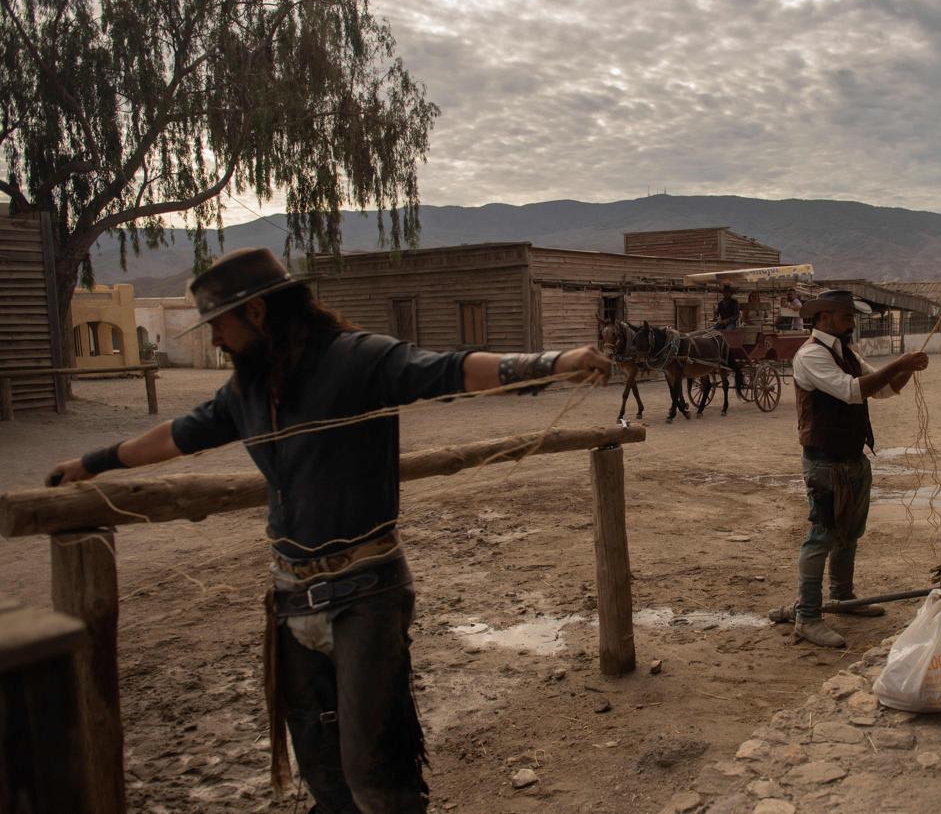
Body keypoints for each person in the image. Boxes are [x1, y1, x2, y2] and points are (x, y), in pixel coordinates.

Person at [45, 247, 611, 814]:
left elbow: (448, 369)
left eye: (219, 324)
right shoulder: (245, 390)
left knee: (374, 771)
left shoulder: (356, 359)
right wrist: (93, 462)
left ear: (258, 313)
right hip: (291, 599)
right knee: (321, 767)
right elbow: (176, 435)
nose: (215, 339)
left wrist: (553, 364)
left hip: (366, 594)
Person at [773, 290, 928, 648]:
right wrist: (901, 364)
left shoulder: (846, 353)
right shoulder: (812, 354)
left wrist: (906, 370)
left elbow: (885, 390)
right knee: (822, 535)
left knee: (850, 532)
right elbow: (852, 391)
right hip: (824, 459)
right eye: (847, 317)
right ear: (824, 317)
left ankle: (842, 598)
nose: (852, 323)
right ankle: (807, 617)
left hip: (851, 456)